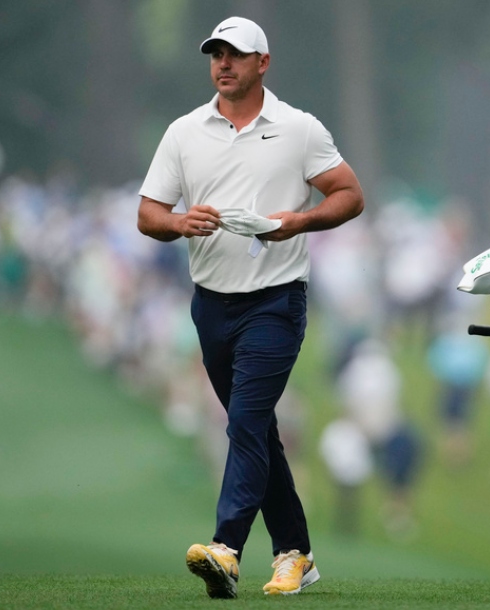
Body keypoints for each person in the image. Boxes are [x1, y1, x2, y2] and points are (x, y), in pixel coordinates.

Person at [137, 16, 364, 599]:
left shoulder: (298, 128)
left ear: (263, 62)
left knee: (242, 422)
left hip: (275, 301)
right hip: (210, 305)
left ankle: (226, 549)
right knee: (256, 428)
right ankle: (297, 554)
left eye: (235, 54)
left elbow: (349, 195)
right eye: (215, 54)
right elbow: (148, 213)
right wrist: (178, 221)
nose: (223, 63)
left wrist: (301, 221)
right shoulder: (184, 131)